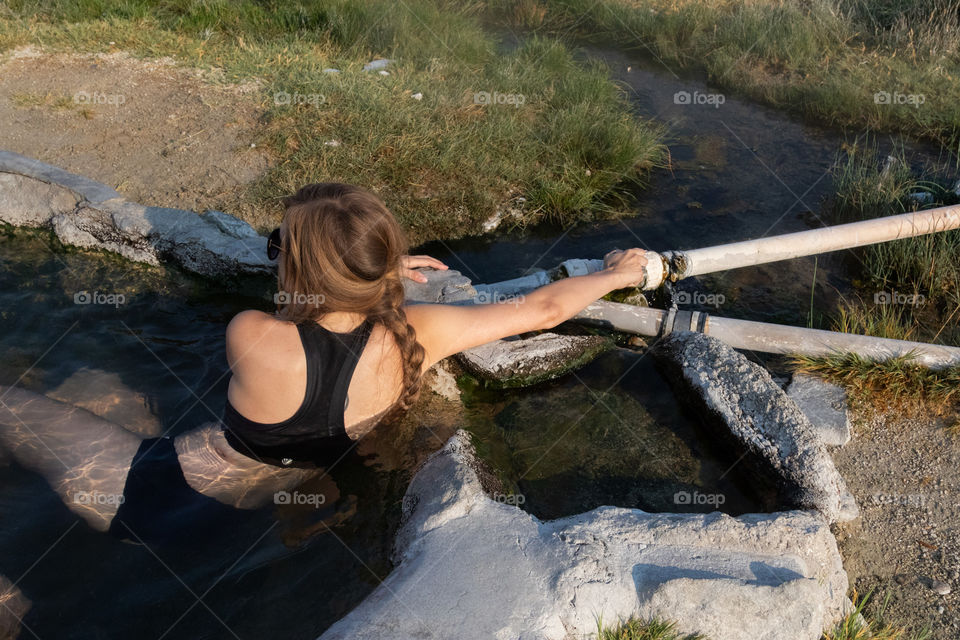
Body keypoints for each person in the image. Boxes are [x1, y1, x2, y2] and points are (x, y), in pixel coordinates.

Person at [0, 182, 649, 542]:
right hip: (255, 501)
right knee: (102, 393)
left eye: (278, 242)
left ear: (296, 263)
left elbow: (300, 308)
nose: (273, 250)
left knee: (9, 404)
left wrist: (353, 272)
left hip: (149, 494)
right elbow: (540, 310)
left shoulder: (250, 331)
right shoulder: (420, 331)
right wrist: (620, 272)